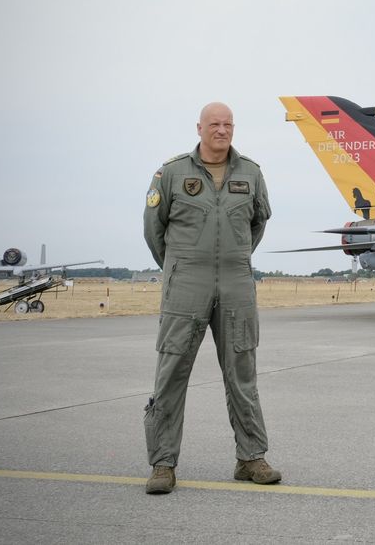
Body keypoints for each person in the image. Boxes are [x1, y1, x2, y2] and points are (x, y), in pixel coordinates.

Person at [142, 102, 278, 494]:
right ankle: (163, 464)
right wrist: (180, 267)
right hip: (186, 285)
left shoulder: (251, 173)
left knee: (243, 374)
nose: (222, 130)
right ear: (199, 128)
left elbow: (258, 223)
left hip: (236, 282)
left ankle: (251, 457)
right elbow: (155, 229)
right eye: (214, 124)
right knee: (171, 374)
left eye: (228, 124)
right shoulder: (170, 173)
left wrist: (233, 257)